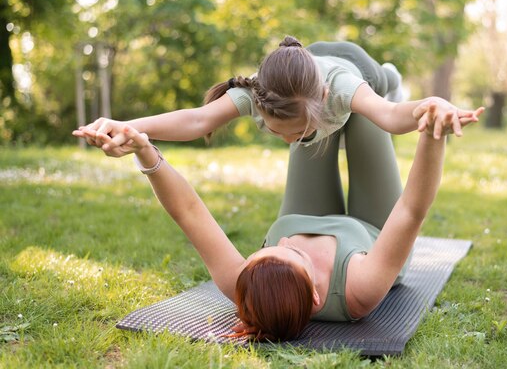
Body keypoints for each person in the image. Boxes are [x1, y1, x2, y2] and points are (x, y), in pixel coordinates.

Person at [75, 101, 483, 341]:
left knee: (313, 112)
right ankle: (382, 78)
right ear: (318, 298)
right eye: (294, 257)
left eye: (268, 248)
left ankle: (347, 72)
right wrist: (432, 130)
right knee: (362, 117)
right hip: (373, 230)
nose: (290, 242)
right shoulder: (360, 288)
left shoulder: (242, 283)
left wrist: (144, 150)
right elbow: (410, 210)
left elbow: (188, 212)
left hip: (309, 209)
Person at [73, 36, 479, 154]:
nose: (286, 140)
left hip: (357, 66)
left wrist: (430, 105)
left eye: (294, 131)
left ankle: (391, 73)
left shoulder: (339, 87)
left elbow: (391, 116)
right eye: (277, 131)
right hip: (298, 75)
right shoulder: (259, 93)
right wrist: (129, 127)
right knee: (310, 150)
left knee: (383, 86)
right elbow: (197, 120)